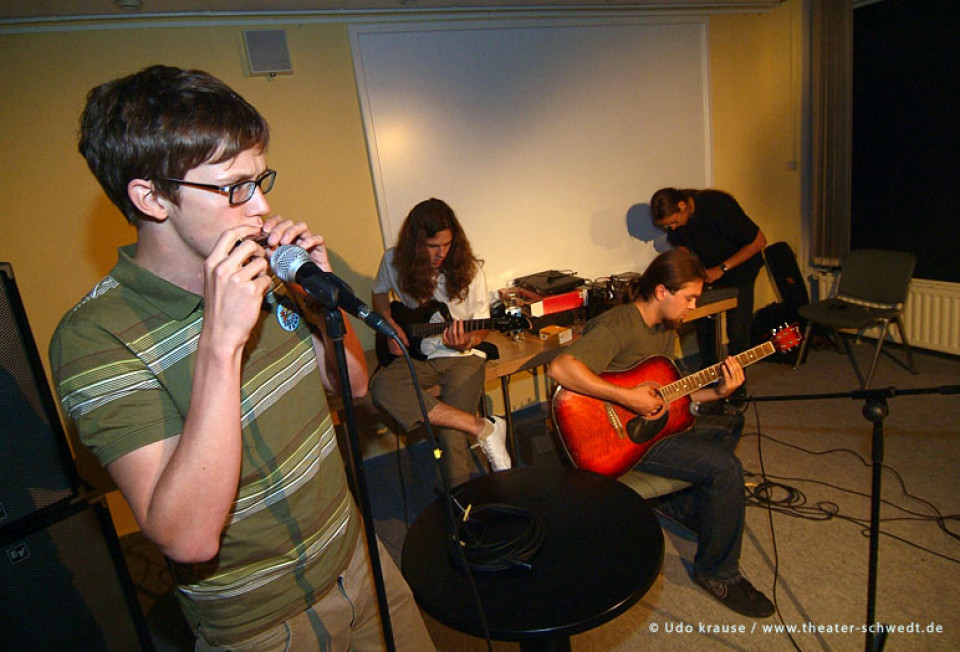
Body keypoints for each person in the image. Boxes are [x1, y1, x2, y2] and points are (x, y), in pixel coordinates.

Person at [48, 65, 434, 650]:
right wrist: (221, 342)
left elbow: (353, 386)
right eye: (235, 188)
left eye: (260, 180)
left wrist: (319, 303)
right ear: (151, 197)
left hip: (358, 556)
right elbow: (188, 537)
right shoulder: (94, 339)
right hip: (264, 625)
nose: (262, 205)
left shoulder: (267, 267)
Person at [547, 249, 775, 618]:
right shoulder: (619, 325)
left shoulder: (665, 327)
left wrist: (719, 391)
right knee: (726, 468)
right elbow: (560, 368)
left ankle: (678, 506)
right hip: (615, 440)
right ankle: (717, 573)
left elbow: (673, 394)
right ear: (661, 292)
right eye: (689, 298)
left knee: (730, 420)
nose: (693, 306)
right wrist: (626, 397)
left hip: (653, 427)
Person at [370, 198, 510, 488]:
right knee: (381, 387)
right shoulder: (393, 261)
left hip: (463, 358)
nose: (441, 253)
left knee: (450, 437)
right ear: (415, 243)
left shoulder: (470, 270)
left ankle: (461, 505)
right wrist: (389, 326)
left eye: (447, 245)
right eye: (433, 246)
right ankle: (483, 427)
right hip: (418, 355)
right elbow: (380, 295)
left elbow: (482, 325)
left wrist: (466, 342)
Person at [650, 187, 767, 367]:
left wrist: (722, 269)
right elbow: (681, 245)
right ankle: (710, 372)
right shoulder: (679, 221)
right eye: (667, 226)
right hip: (710, 271)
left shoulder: (719, 206)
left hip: (741, 270)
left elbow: (759, 241)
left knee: (738, 329)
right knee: (704, 324)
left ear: (682, 206)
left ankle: (738, 378)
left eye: (673, 222)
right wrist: (692, 267)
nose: (672, 227)